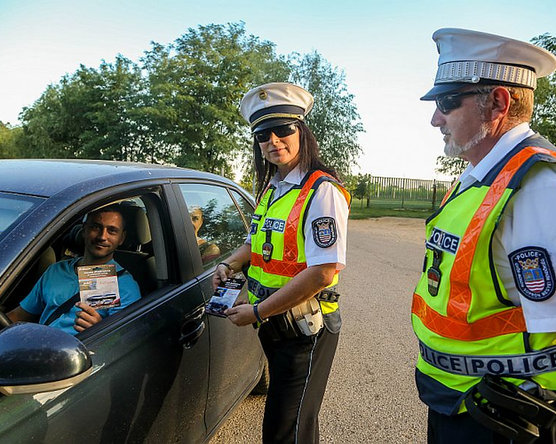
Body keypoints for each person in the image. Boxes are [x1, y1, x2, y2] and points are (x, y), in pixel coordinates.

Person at [412, 28, 556, 443]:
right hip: (457, 400)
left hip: (505, 416)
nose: (435, 118)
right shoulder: (478, 176)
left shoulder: (538, 186)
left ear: (497, 102)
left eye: (446, 102)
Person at [212, 82, 350, 443]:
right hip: (276, 323)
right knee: (295, 424)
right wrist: (230, 265)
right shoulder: (273, 187)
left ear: (301, 131)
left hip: (304, 328)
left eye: (283, 130)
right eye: (263, 135)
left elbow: (323, 273)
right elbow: (254, 243)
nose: (274, 141)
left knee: (283, 432)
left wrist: (258, 312)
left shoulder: (322, 192)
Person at [8, 204, 141, 335]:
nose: (102, 237)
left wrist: (99, 330)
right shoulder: (55, 270)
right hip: (39, 349)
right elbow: (20, 315)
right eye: (95, 227)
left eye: (112, 230)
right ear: (84, 230)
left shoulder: (125, 285)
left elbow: (124, 340)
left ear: (121, 238)